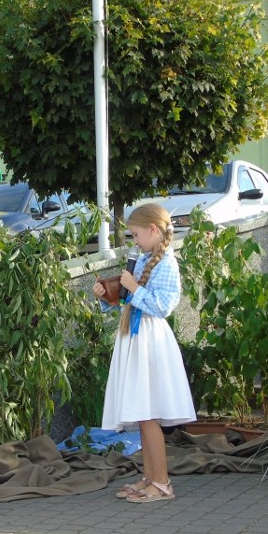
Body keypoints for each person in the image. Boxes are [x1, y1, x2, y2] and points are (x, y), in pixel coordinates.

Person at [91, 203, 197, 503]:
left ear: (153, 230)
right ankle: (150, 477)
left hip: (150, 341)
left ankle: (162, 483)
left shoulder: (167, 264)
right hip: (134, 339)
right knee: (142, 416)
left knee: (149, 414)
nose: (134, 241)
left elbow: (162, 306)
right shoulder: (143, 259)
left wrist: (134, 288)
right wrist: (108, 295)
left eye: (136, 234)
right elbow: (127, 302)